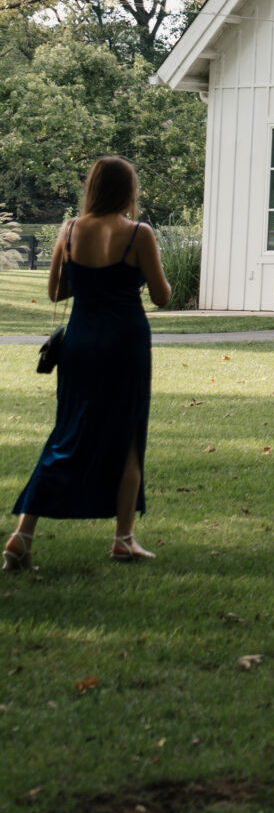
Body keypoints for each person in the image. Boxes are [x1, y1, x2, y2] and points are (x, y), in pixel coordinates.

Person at [6, 157, 169, 571]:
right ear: (127, 191)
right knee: (128, 436)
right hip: (125, 344)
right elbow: (163, 296)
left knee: (68, 431)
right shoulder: (139, 234)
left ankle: (23, 534)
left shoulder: (71, 230)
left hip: (80, 343)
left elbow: (56, 293)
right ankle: (123, 539)